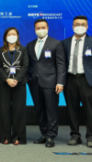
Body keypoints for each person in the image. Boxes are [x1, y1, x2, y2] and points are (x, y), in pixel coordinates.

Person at [27, 19, 66, 148]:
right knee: (39, 110)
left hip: (51, 82)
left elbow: (61, 64)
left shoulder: (56, 43)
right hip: (34, 82)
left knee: (51, 110)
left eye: (43, 27)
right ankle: (44, 133)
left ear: (47, 28)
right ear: (35, 29)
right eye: (38, 28)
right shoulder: (30, 44)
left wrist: (60, 82)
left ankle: (51, 136)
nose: (40, 29)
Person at [62, 15, 92, 148]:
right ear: (72, 26)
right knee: (72, 110)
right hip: (70, 80)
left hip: (87, 81)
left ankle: (91, 136)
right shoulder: (64, 43)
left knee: (91, 110)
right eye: (77, 24)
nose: (79, 26)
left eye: (83, 24)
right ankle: (75, 136)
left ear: (87, 26)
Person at [0, 27, 29, 145]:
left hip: (19, 84)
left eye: (14, 34)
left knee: (18, 110)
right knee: (4, 111)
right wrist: (7, 79)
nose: (11, 36)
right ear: (5, 36)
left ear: (18, 36)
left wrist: (16, 80)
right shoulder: (1, 50)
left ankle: (17, 137)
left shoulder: (23, 49)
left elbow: (25, 66)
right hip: (4, 84)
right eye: (9, 34)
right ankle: (5, 136)